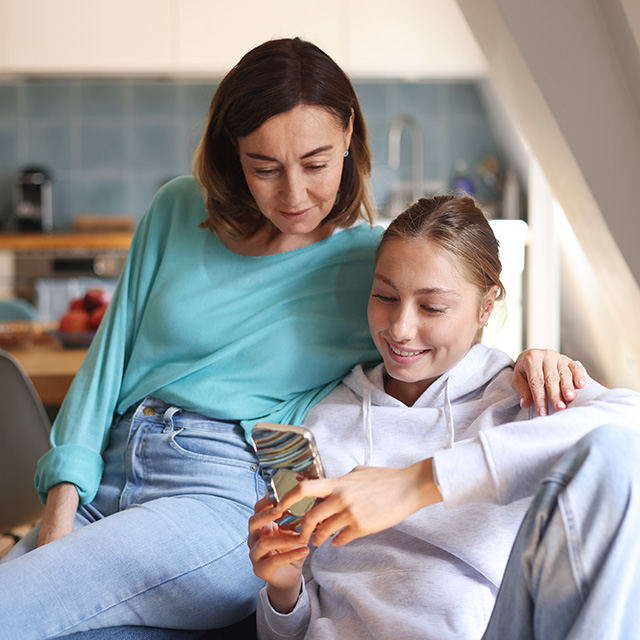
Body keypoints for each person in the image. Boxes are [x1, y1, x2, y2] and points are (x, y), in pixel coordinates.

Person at [0, 39, 579, 639]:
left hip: (220, 498)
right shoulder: (176, 209)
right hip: (110, 475)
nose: (294, 195)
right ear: (234, 151)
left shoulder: (371, 270)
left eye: (316, 163)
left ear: (350, 133)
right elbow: (104, 367)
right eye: (265, 167)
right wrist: (61, 511)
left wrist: (531, 359)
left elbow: (444, 338)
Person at [249, 195, 640, 640]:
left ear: (486, 306)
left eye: (431, 307)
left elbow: (628, 436)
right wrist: (283, 590)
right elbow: (289, 631)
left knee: (617, 454)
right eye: (385, 296)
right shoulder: (323, 422)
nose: (399, 328)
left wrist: (418, 483)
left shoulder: (524, 397)